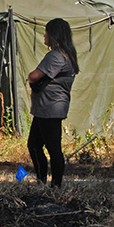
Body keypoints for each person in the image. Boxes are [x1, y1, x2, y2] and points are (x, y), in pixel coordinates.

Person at [27, 18, 78, 188]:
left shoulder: (56, 56)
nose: (44, 36)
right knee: (35, 145)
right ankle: (43, 182)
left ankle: (54, 185)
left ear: (54, 35)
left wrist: (32, 79)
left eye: (47, 32)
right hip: (48, 107)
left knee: (52, 149)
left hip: (50, 107)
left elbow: (33, 76)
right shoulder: (68, 55)